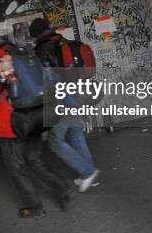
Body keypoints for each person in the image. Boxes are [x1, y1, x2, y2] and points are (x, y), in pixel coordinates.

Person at [0, 32, 71, 218]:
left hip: (11, 126)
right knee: (34, 159)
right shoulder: (24, 56)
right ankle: (63, 187)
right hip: (36, 116)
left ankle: (34, 207)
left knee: (16, 168)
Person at [29, 18, 100, 193]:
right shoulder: (64, 42)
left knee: (55, 141)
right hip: (76, 95)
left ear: (35, 36)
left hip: (60, 99)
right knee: (76, 135)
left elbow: (45, 80)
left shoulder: (42, 50)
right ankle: (89, 176)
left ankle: (88, 171)